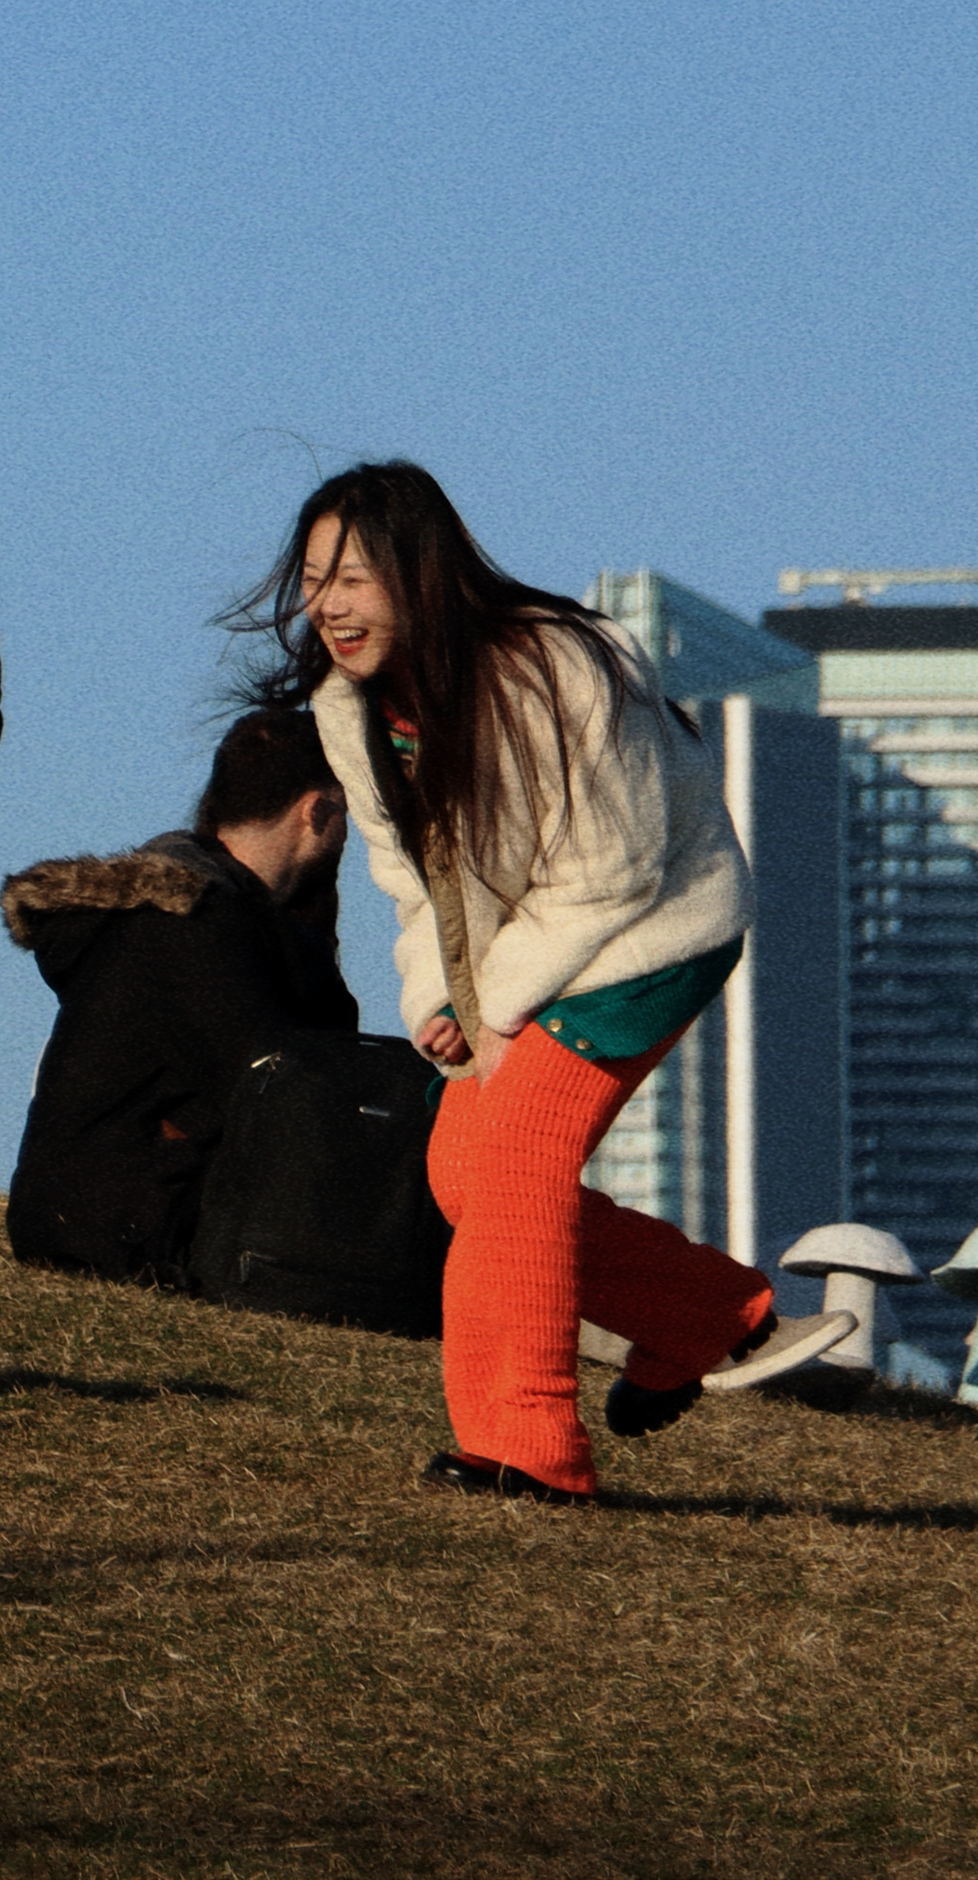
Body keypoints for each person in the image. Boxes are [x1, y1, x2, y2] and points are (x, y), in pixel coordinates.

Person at [249, 462, 850, 1503]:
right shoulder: (350, 708)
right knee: (460, 1173)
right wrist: (443, 998)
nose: (328, 607)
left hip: (651, 933)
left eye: (352, 578)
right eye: (312, 582)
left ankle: (530, 1449)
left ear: (420, 574)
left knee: (515, 1160)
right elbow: (414, 877)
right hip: (530, 951)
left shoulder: (551, 665)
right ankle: (704, 1315)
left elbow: (613, 869)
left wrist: (496, 1007)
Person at [0, 707, 361, 1285]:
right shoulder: (194, 923)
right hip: (130, 1233)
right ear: (315, 810)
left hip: (107, 1214)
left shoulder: (217, 913)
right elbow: (271, 1089)